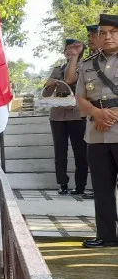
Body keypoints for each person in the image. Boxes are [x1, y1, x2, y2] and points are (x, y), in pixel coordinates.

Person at [76, 14, 118, 248]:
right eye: (103, 33)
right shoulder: (87, 65)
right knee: (101, 187)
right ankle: (107, 236)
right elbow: (80, 99)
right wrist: (97, 113)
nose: (107, 37)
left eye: (113, 32)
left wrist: (111, 116)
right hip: (96, 132)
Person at [41, 39, 91, 198]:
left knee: (80, 152)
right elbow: (46, 95)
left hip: (77, 114)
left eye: (74, 48)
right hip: (57, 116)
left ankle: (80, 185)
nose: (69, 51)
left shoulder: (85, 67)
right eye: (67, 49)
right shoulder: (57, 69)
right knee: (60, 152)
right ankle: (62, 183)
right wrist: (49, 85)